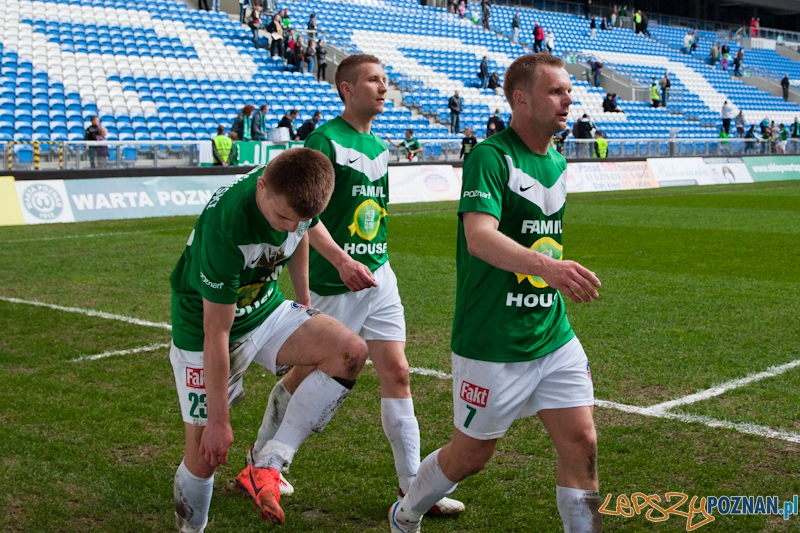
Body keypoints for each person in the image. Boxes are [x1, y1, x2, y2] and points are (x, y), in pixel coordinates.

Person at [388, 52, 602, 533]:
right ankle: (406, 513)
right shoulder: (490, 156)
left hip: (551, 332)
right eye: (556, 91)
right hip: (492, 340)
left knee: (582, 441)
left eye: (569, 90)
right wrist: (548, 267)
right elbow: (479, 237)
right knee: (470, 456)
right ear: (521, 99)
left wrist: (550, 275)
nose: (568, 99)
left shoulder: (557, 159)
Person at [252, 54, 466, 517]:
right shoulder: (324, 140)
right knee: (305, 373)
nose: (383, 88)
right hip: (338, 279)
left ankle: (415, 490)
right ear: (346, 89)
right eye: (373, 80)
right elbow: (305, 214)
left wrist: (367, 261)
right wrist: (341, 260)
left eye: (385, 80)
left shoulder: (378, 145)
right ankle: (260, 464)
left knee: (398, 371)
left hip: (378, 275)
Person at [170, 149, 369, 531]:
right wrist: (219, 420)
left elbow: (302, 231)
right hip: (204, 327)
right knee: (204, 454)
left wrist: (305, 300)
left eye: (299, 220)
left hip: (265, 308)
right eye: (281, 217)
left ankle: (268, 462)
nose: (287, 228)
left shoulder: (292, 195)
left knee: (348, 352)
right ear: (261, 187)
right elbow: (218, 332)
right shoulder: (226, 227)